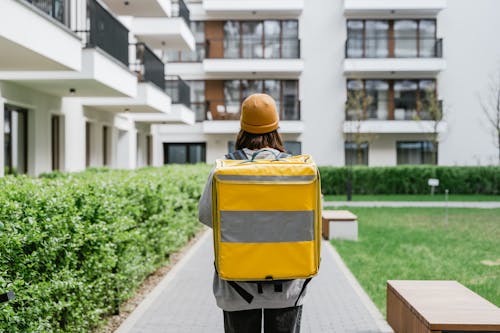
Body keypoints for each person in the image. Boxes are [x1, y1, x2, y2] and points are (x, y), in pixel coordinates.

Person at [198, 93, 310, 333]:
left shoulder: (224, 171)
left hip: (236, 287)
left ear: (242, 128)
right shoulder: (297, 171)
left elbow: (206, 216)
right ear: (276, 129)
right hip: (287, 287)